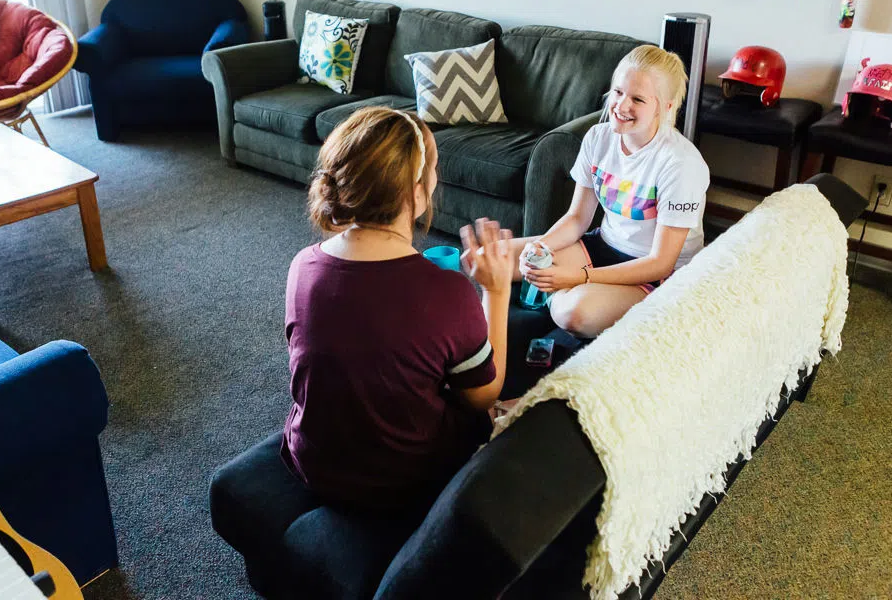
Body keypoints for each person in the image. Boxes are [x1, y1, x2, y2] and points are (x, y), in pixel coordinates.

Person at [282, 106, 514, 513]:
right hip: (404, 482)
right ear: (416, 191)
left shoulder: (303, 265)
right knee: (481, 406)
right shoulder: (447, 292)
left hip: (313, 463)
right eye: (434, 169)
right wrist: (496, 291)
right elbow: (482, 395)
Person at [502, 44, 710, 337]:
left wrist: (577, 277)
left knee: (572, 312)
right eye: (618, 92)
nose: (622, 106)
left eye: (637, 99)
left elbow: (660, 263)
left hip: (658, 275)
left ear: (665, 107)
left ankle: (565, 296)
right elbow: (577, 218)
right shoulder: (598, 137)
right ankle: (565, 291)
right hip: (603, 245)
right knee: (491, 258)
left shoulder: (681, 164)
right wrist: (542, 247)